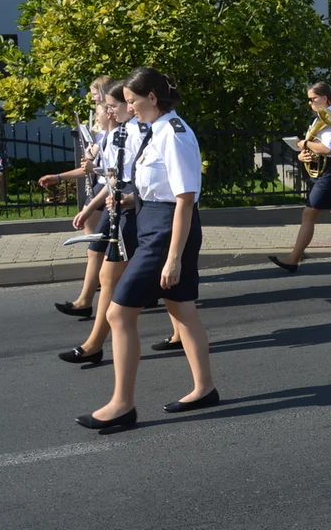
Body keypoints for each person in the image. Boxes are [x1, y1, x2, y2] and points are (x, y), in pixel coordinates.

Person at [76, 68, 217, 430]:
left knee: (119, 315)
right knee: (182, 309)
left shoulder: (174, 134)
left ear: (152, 98)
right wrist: (128, 200)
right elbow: (158, 189)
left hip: (168, 233)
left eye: (133, 101)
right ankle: (205, 388)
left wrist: (172, 258)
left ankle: (122, 404)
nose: (128, 108)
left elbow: (185, 200)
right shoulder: (155, 131)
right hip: (152, 221)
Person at [58, 80, 142, 364]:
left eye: (113, 106)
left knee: (171, 294)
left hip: (138, 212)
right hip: (122, 207)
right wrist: (92, 204)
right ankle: (94, 343)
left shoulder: (143, 132)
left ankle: (96, 344)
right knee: (110, 277)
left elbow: (145, 181)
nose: (109, 112)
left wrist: (132, 197)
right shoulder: (123, 133)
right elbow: (115, 178)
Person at [43, 89, 113, 318]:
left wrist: (89, 206)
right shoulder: (103, 136)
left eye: (97, 105)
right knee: (96, 249)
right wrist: (60, 177)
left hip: (111, 195)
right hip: (100, 192)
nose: (95, 110)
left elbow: (117, 174)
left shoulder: (120, 135)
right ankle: (87, 299)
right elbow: (88, 168)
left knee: (107, 251)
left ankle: (91, 299)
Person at [268, 82, 331, 274]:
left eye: (313, 99)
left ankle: (293, 259)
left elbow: (328, 149)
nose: (310, 103)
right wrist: (301, 154)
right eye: (309, 100)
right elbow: (312, 147)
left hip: (329, 171)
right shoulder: (318, 119)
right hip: (323, 170)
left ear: (325, 98)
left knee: (308, 214)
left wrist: (305, 142)